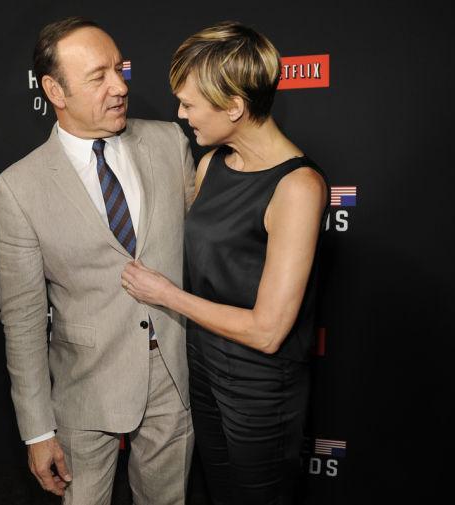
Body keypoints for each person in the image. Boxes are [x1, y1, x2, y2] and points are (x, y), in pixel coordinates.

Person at [121, 22, 328, 505]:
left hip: (260, 385)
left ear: (234, 106)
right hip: (203, 365)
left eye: (190, 104)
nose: (180, 113)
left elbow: (267, 331)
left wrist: (166, 295)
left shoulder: (298, 187)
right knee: (220, 492)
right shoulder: (211, 162)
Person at [0, 17, 195, 505]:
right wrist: (37, 431)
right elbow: (21, 319)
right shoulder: (18, 187)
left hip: (173, 376)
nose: (120, 86)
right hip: (83, 392)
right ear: (54, 91)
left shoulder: (170, 143)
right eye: (97, 76)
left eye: (118, 69)